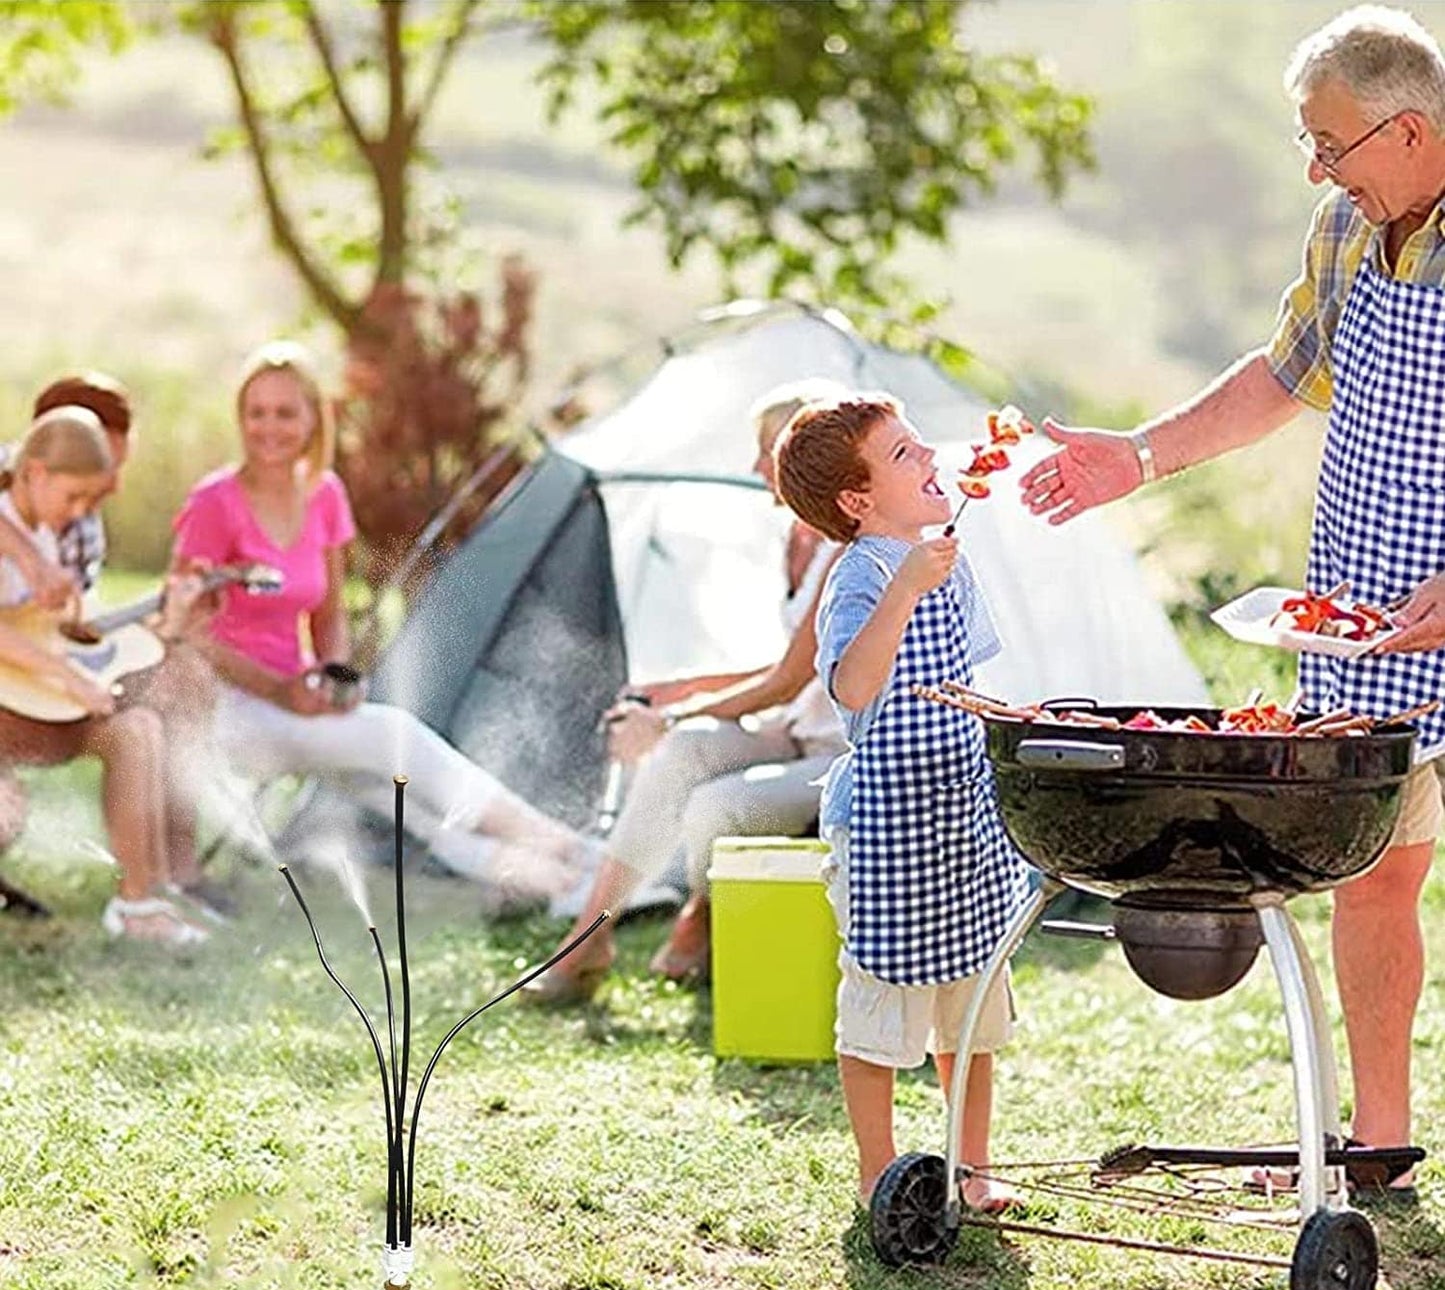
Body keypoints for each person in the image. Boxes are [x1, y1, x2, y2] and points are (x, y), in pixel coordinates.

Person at [1018, 4, 1445, 1198]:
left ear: (1406, 130)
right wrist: (1135, 457)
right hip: (1364, 617)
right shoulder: (1345, 226)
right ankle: (1375, 1145)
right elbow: (1279, 375)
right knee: (1371, 877)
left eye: (1328, 141)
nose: (1314, 166)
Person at [171, 340, 595, 907]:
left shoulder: (323, 495)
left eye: (285, 412)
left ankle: (555, 882)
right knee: (393, 739)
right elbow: (183, 630)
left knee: (390, 790)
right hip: (225, 709)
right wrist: (278, 691)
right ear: (240, 418)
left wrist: (333, 678)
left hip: (297, 703)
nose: (269, 427)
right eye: (257, 413)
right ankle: (561, 845)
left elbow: (327, 613)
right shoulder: (214, 502)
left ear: (313, 419)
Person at [777, 392, 1028, 1213]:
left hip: (961, 813)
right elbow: (852, 686)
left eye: (922, 446)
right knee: (880, 1004)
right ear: (856, 502)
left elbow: (954, 679)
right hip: (889, 823)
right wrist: (903, 592)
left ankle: (971, 1164)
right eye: (903, 455)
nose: (929, 461)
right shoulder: (859, 576)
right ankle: (878, 1171)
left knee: (973, 1007)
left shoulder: (940, 556)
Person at [528, 379, 849, 1003]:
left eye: (772, 451)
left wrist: (669, 717)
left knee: (713, 806)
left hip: (843, 756)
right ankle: (590, 935)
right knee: (689, 752)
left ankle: (700, 911)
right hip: (796, 734)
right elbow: (791, 663)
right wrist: (681, 693)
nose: (757, 468)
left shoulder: (843, 548)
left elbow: (789, 677)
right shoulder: (796, 538)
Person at [0, 372, 224, 918]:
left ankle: (146, 900)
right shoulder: (20, 492)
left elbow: (76, 632)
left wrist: (166, 626)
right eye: (77, 492)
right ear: (38, 465)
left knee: (144, 720)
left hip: (38, 693)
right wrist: (29, 557)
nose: (87, 506)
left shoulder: (69, 522)